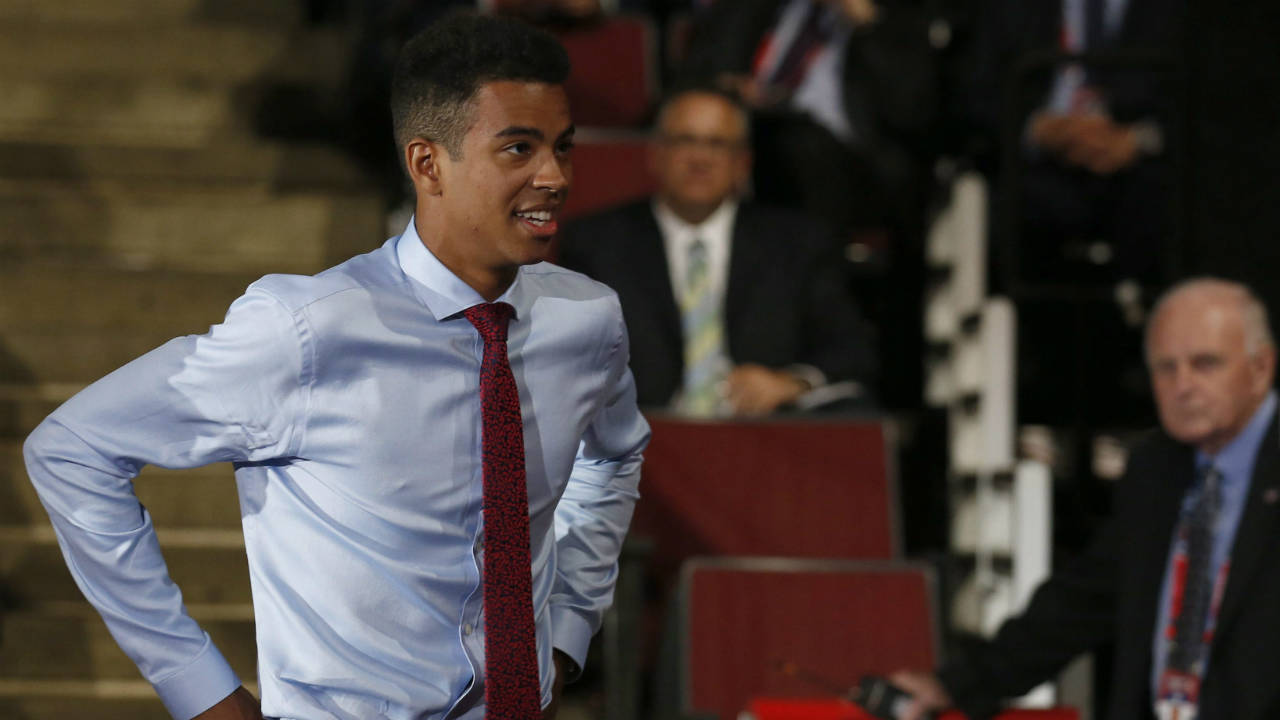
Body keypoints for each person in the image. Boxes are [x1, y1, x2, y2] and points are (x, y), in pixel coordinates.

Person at [23, 13, 649, 720]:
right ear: (426, 164)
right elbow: (72, 450)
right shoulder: (306, 329)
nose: (555, 176)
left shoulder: (586, 318)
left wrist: (566, 629)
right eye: (519, 149)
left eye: (563, 148)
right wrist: (200, 690)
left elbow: (615, 457)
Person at [891, 278, 1280, 720]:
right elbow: (1084, 599)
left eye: (1205, 364)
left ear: (1261, 367)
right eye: (1165, 368)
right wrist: (957, 683)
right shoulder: (1155, 469)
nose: (1182, 385)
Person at [558, 87, 877, 417]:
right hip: (643, 439)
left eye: (717, 144)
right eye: (685, 140)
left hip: (767, 436)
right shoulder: (597, 242)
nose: (701, 158)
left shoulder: (797, 243)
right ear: (655, 154)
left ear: (742, 163)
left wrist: (790, 382)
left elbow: (850, 347)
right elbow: (569, 358)